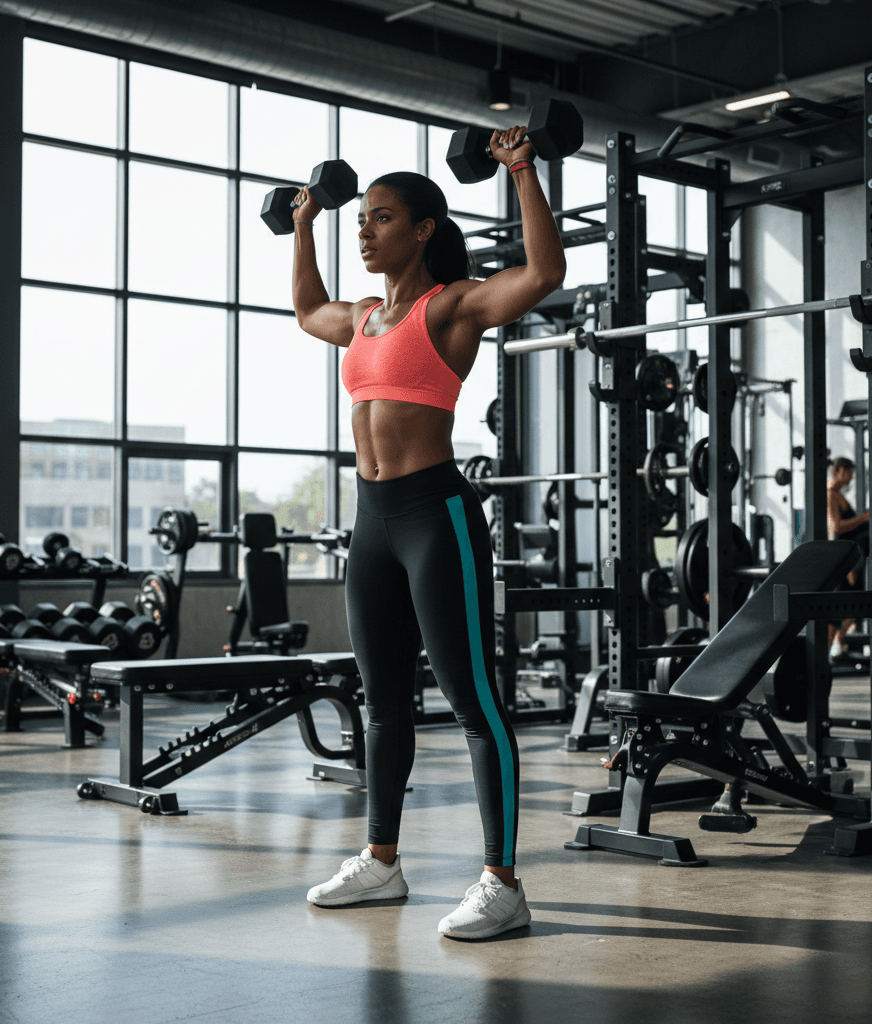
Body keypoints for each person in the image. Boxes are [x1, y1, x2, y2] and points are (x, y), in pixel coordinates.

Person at [289, 126, 566, 940]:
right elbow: (307, 310)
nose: (364, 230)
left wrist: (521, 170)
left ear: (422, 228)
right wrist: (304, 224)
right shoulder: (365, 317)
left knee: (474, 700)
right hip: (371, 524)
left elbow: (545, 273)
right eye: (360, 219)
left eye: (378, 218)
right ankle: (381, 861)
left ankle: (503, 882)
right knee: (381, 706)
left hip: (434, 516)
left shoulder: (453, 308)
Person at [826, 456, 869, 657]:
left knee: (851, 605)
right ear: (840, 470)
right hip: (844, 561)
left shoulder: (838, 495)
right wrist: (862, 518)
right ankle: (827, 648)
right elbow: (835, 528)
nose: (852, 477)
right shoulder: (830, 495)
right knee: (840, 608)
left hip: (852, 559)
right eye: (850, 472)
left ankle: (836, 644)